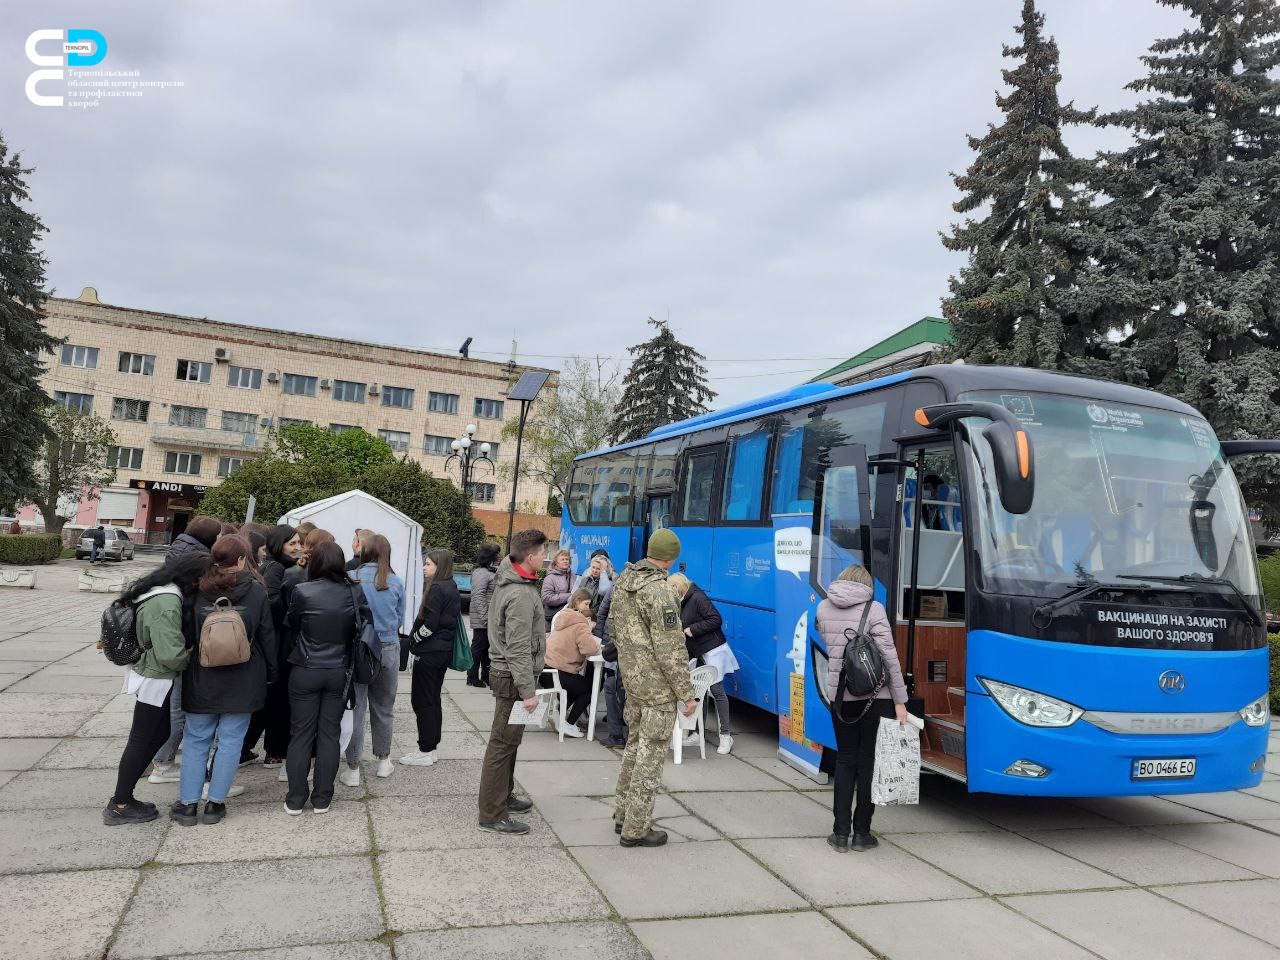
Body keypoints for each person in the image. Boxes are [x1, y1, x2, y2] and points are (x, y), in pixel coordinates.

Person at [170, 537, 276, 826]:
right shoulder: (255, 591)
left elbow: (186, 634)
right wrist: (271, 673)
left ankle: (188, 804)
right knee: (230, 740)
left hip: (202, 674)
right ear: (242, 560)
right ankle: (215, 803)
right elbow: (267, 635)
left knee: (196, 739)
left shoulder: (195, 589)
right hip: (244, 674)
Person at [104, 553, 207, 825]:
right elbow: (170, 654)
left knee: (159, 731)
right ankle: (120, 803)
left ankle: (124, 798)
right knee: (141, 738)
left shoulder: (161, 590)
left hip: (153, 674)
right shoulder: (167, 600)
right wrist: (192, 653)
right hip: (156, 677)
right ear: (193, 577)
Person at [611, 530, 697, 847]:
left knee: (633, 749)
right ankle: (636, 828)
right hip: (658, 689)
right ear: (671, 558)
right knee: (650, 758)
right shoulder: (661, 592)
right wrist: (687, 694)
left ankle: (622, 815)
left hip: (632, 681)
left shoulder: (624, 582)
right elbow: (672, 650)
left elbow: (613, 630)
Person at [819, 563, 909, 853]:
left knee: (845, 760)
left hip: (841, 697)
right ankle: (862, 835)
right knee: (868, 762)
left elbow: (833, 650)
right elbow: (890, 658)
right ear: (866, 585)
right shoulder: (875, 609)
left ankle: (840, 834)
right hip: (875, 697)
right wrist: (900, 701)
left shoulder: (823, 608)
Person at [283, 541, 370, 814]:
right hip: (339, 670)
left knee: (300, 734)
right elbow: (366, 625)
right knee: (329, 734)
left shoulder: (302, 591)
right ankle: (322, 798)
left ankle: (296, 798)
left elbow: (292, 626)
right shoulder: (355, 591)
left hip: (306, 667)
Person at [476, 528, 546, 834]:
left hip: (510, 674)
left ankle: (503, 796)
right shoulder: (519, 593)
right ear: (530, 557)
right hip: (512, 677)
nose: (547, 557)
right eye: (544, 552)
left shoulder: (517, 583)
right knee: (502, 744)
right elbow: (517, 646)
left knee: (509, 742)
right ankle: (492, 813)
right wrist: (528, 691)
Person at [149, 515, 222, 785]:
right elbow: (193, 601)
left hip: (171, 636)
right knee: (179, 706)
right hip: (184, 639)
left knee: (169, 704)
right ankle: (164, 763)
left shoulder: (178, 547)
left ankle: (155, 757)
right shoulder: (198, 558)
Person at [342, 533, 405, 784]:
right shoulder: (395, 582)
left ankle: (353, 768)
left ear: (364, 551)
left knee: (356, 709)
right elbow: (400, 618)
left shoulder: (351, 578)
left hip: (359, 648)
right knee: (384, 707)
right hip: (388, 646)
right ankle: (383, 760)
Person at [243, 524, 301, 768]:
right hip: (277, 645)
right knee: (277, 701)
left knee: (269, 701)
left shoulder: (278, 566)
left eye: (299, 542)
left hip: (273, 645)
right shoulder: (277, 567)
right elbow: (272, 604)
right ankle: (275, 751)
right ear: (279, 546)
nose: (298, 548)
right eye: (292, 544)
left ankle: (246, 749)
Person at [667, 573, 738, 755]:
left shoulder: (698, 597)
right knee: (699, 693)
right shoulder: (682, 599)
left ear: (678, 586)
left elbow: (716, 619)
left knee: (717, 691)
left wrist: (693, 629)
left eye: (672, 588)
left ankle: (725, 736)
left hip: (713, 649)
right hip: (699, 651)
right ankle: (698, 732)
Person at [401, 549, 460, 765]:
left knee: (422, 700)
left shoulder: (436, 587)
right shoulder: (451, 585)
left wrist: (414, 640)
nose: (424, 567)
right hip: (442, 651)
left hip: (429, 652)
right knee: (433, 699)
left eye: (428, 564)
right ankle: (431, 747)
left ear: (439, 565)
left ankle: (425, 749)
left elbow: (430, 624)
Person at [543, 588, 602, 737]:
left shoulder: (562, 616)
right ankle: (568, 723)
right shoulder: (581, 623)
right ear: (577, 602)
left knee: (579, 684)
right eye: (587, 604)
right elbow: (590, 649)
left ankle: (557, 713)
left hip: (545, 670)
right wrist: (589, 632)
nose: (588, 608)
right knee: (590, 688)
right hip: (558, 672)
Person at [595, 589, 627, 748]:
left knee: (611, 686)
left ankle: (616, 735)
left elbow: (611, 652)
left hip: (628, 669)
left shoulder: (625, 616)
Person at [466, 541, 500, 688]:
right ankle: (472, 677)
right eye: (497, 553)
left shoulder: (489, 571)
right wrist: (485, 616)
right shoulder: (481, 573)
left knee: (486, 648)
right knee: (479, 648)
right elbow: (478, 595)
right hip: (483, 618)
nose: (499, 556)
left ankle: (485, 677)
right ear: (490, 556)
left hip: (487, 617)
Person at [572, 551, 612, 617]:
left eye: (598, 569)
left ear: (604, 569)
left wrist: (603, 573)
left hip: (595, 617)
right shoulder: (585, 580)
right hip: (580, 614)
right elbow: (576, 597)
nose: (595, 571)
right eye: (593, 567)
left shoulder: (608, 582)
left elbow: (603, 594)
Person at [541, 549, 573, 629]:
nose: (565, 561)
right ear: (556, 562)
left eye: (567, 559)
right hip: (552, 618)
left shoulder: (574, 576)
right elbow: (546, 597)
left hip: (569, 618)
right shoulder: (550, 578)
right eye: (562, 559)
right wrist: (568, 596)